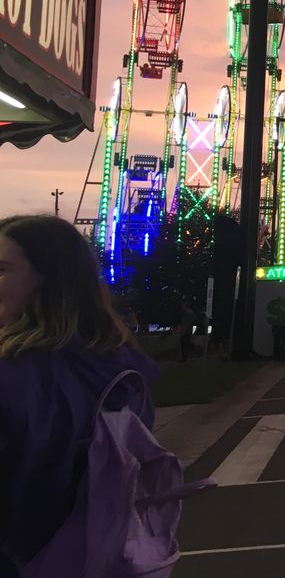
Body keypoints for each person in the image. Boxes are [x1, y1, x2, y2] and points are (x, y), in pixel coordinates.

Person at [0, 215, 159, 575]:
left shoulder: (15, 378)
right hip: (93, 554)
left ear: (47, 280)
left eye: (2, 270)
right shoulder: (123, 372)